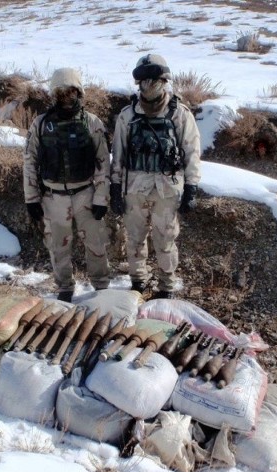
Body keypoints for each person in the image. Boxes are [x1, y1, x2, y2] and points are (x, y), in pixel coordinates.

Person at [110, 54, 201, 299]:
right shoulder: (128, 116)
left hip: (167, 189)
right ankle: (138, 281)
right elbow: (117, 154)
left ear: (164, 80)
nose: (149, 85)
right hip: (135, 187)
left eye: (154, 80)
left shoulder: (179, 114)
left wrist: (192, 186)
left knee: (165, 239)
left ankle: (166, 286)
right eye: (144, 81)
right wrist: (115, 187)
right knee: (135, 238)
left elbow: (192, 151)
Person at [23, 68, 110, 302]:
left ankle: (101, 288)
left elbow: (103, 164)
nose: (66, 96)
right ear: (54, 94)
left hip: (86, 194)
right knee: (57, 247)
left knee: (96, 244)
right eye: (61, 92)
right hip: (53, 197)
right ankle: (64, 289)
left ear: (79, 92)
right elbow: (30, 160)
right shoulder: (40, 124)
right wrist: (31, 198)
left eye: (71, 91)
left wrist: (101, 198)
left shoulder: (92, 123)